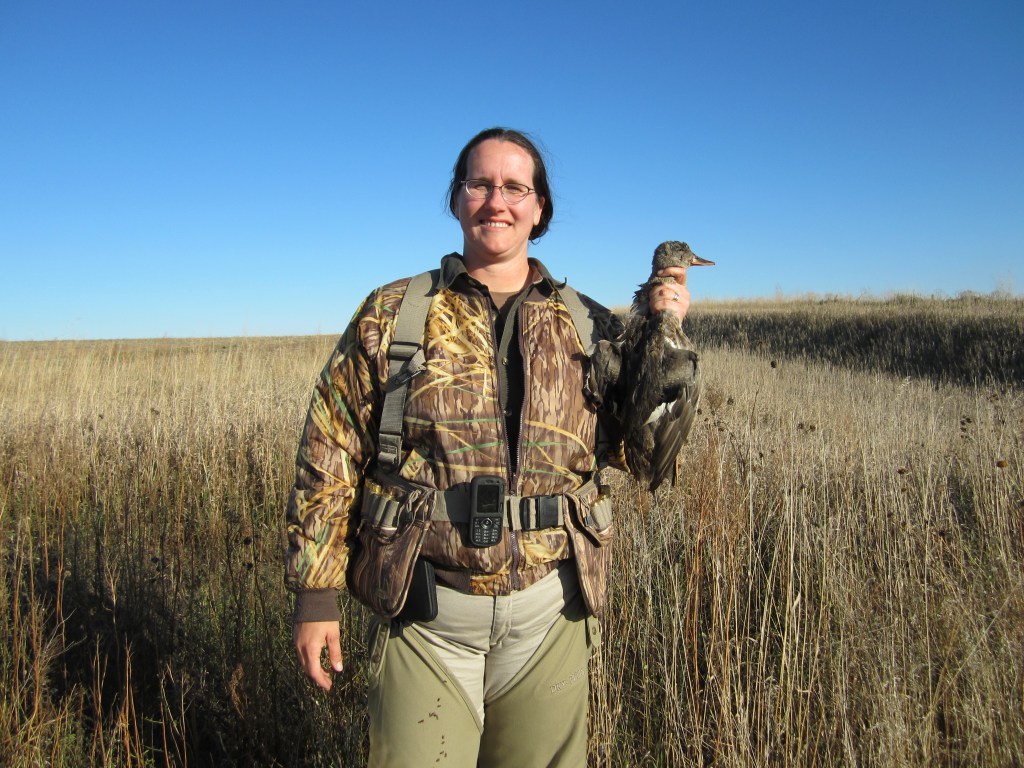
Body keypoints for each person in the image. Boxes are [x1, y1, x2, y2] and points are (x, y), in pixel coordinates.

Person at [285, 127, 698, 766]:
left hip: (551, 613)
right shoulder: (392, 313)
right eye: (479, 184)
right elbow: (329, 447)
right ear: (456, 199)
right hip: (427, 613)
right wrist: (316, 595)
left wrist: (664, 334)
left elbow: (640, 457)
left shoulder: (593, 324)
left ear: (539, 208)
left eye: (514, 187)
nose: (496, 201)